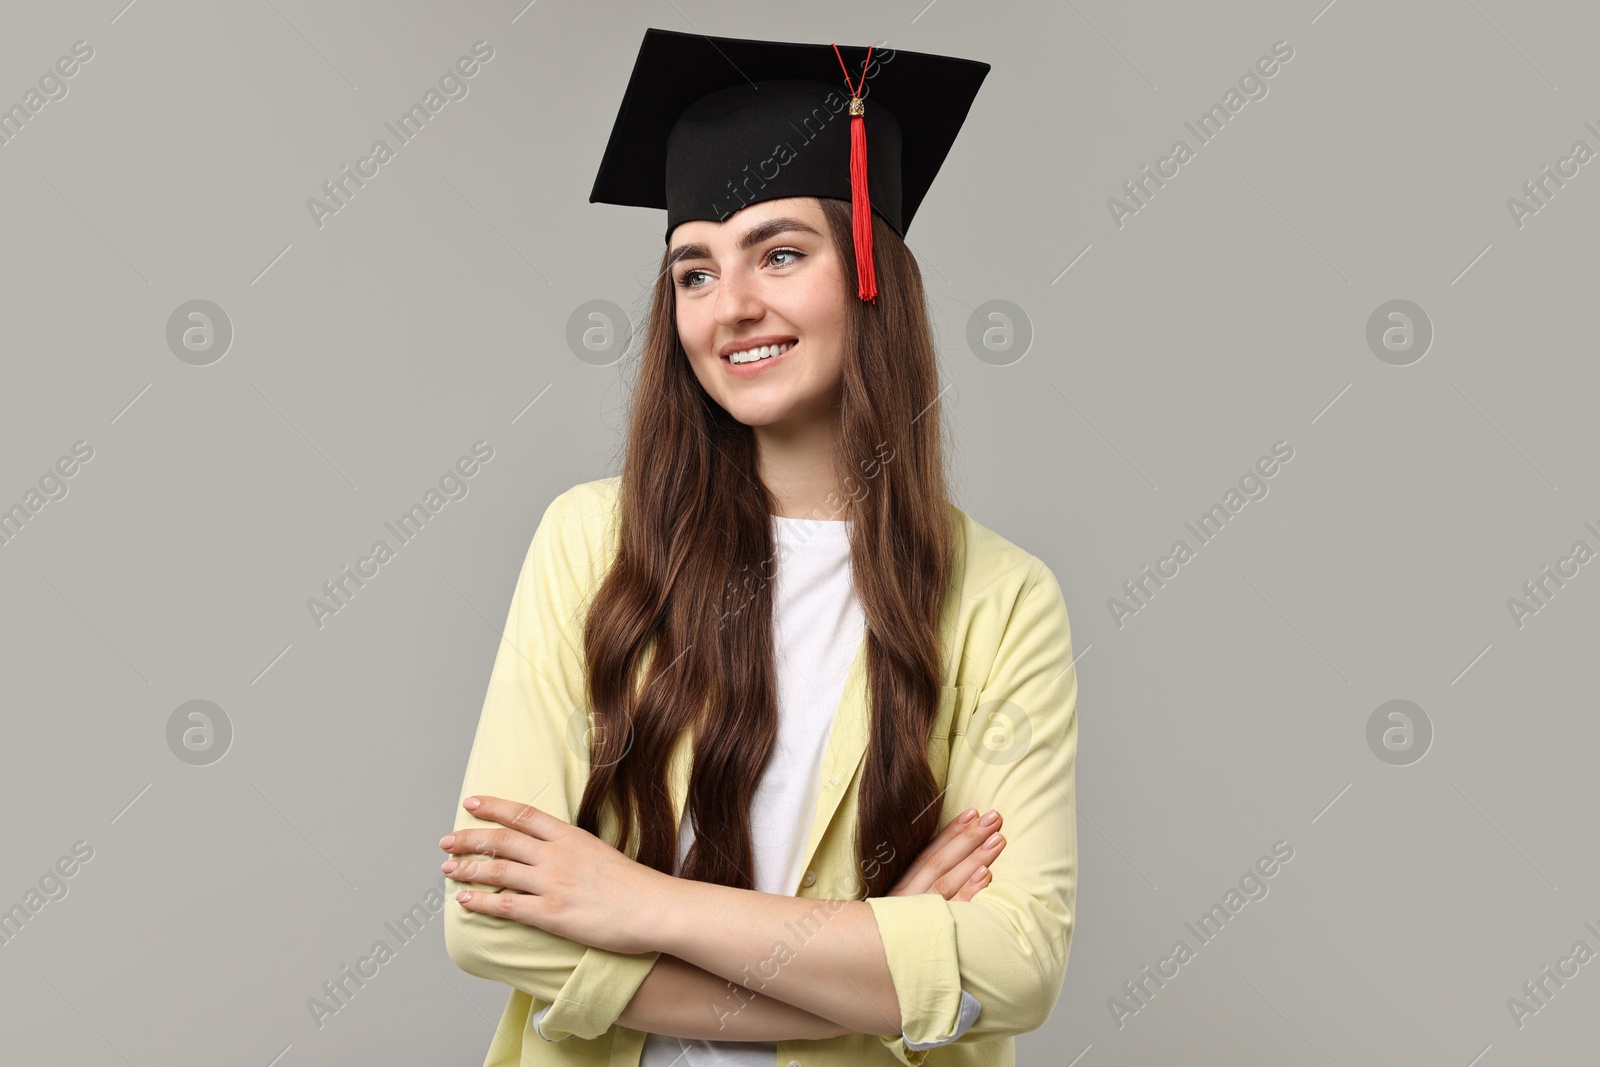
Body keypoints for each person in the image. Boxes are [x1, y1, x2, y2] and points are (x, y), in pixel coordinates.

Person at [441, 27, 1079, 1067]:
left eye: (779, 253)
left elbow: (1014, 966)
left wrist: (636, 900)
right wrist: (874, 977)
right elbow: (490, 916)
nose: (730, 306)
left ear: (871, 272)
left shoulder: (1001, 598)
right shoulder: (590, 542)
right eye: (694, 271)